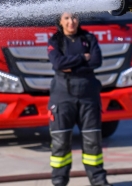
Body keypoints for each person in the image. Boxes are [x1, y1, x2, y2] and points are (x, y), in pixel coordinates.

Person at [47, 12, 111, 186]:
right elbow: (58, 64)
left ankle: (98, 180)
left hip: (88, 96)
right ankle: (59, 181)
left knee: (93, 142)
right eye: (66, 18)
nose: (71, 22)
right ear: (60, 21)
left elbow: (96, 61)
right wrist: (82, 58)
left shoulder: (88, 38)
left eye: (74, 17)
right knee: (60, 142)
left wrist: (71, 65)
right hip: (62, 97)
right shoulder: (55, 41)